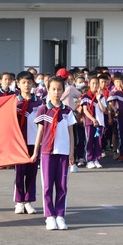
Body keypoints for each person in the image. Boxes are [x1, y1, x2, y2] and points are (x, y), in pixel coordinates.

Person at [31, 76, 76, 231]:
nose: (56, 92)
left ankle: (60, 215)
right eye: (53, 89)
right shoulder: (44, 110)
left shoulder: (68, 111)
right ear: (48, 90)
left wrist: (71, 153)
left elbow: (71, 133)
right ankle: (50, 216)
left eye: (59, 89)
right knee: (48, 185)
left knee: (62, 185)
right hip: (47, 153)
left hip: (63, 153)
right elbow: (40, 132)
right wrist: (35, 151)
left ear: (64, 91)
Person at [13, 71, 43, 215]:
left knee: (32, 173)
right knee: (19, 173)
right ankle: (19, 201)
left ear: (33, 84)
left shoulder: (39, 102)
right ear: (18, 84)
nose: (26, 85)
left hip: (34, 142)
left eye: (29, 82)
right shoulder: (13, 102)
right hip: (19, 142)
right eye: (23, 82)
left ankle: (28, 201)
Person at [81, 75, 107, 169]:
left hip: (99, 122)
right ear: (89, 84)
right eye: (93, 83)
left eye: (97, 83)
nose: (95, 85)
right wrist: (93, 119)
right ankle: (89, 160)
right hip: (89, 122)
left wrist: (99, 99)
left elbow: (104, 110)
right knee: (89, 141)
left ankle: (96, 159)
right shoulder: (85, 96)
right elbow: (85, 110)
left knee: (98, 141)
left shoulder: (101, 96)